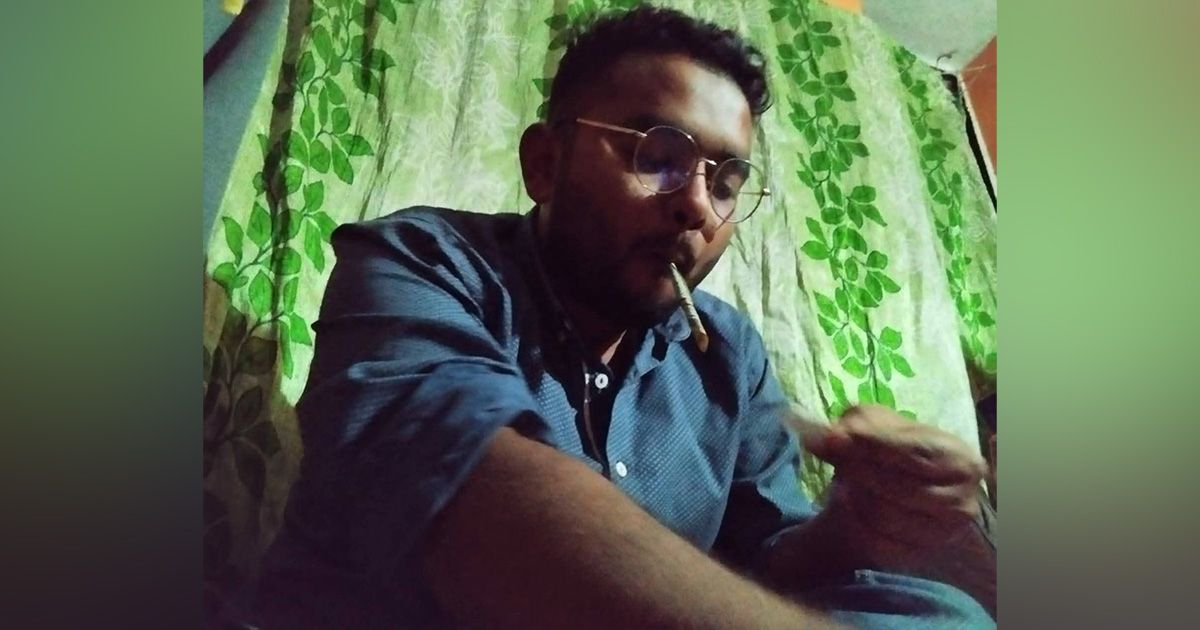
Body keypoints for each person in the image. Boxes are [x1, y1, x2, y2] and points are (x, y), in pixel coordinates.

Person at [254, 7, 994, 628]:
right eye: (659, 155)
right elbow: (471, 514)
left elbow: (767, 564)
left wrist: (852, 527)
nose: (697, 206)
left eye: (726, 181)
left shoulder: (730, 353)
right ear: (545, 165)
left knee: (936, 610)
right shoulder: (423, 260)